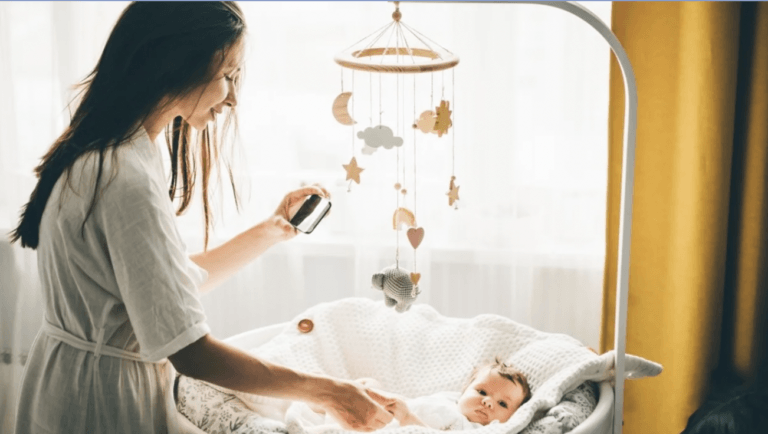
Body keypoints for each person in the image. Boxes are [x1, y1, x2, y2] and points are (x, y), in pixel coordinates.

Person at [8, 2, 393, 433]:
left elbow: (169, 290)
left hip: (72, 381)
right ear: (177, 65)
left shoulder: (113, 152)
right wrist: (330, 391)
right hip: (102, 399)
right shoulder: (126, 177)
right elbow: (192, 351)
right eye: (228, 75)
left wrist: (272, 230)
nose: (231, 98)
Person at [300, 357, 532, 431]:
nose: (488, 402)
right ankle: (329, 394)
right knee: (370, 384)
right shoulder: (450, 401)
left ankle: (327, 403)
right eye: (481, 391)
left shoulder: (473, 429)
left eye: (502, 404)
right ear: (464, 391)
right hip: (396, 411)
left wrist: (407, 418)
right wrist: (380, 394)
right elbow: (418, 403)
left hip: (396, 426)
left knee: (356, 417)